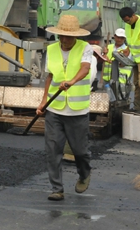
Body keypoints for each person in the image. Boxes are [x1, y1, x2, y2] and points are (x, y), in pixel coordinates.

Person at [37, 14, 93, 201]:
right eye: (63, 36)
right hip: (55, 109)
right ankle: (57, 188)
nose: (66, 40)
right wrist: (44, 100)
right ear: (58, 35)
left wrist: (72, 81)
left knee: (79, 151)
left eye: (70, 37)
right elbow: (50, 77)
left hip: (77, 111)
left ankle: (84, 173)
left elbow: (85, 69)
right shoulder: (51, 50)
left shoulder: (85, 48)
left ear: (76, 36)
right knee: (52, 149)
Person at [120, 7, 140, 113]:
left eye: (128, 20)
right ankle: (137, 107)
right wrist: (128, 49)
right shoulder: (128, 25)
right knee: (136, 84)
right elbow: (132, 40)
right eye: (125, 21)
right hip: (135, 59)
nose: (127, 22)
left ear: (133, 15)